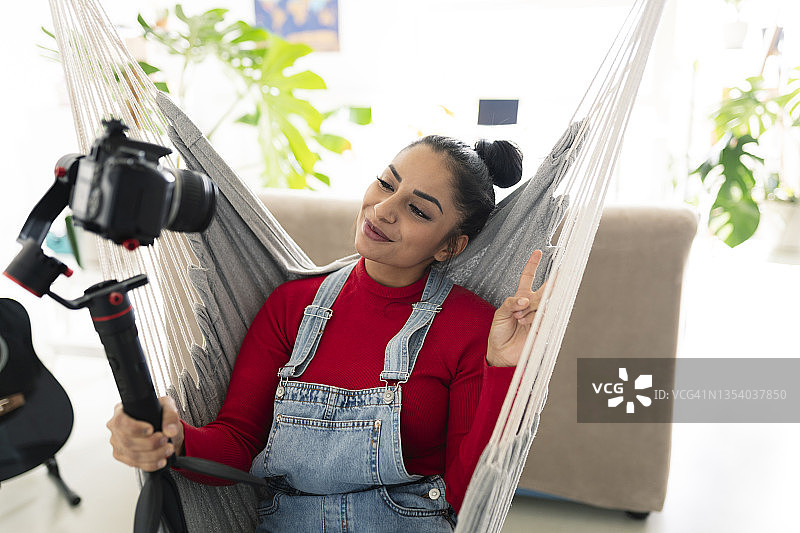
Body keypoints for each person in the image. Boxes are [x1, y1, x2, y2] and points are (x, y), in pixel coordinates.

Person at [107, 135, 546, 532]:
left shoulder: (473, 328)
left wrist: (504, 369)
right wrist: (175, 437)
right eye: (386, 183)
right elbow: (239, 441)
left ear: (449, 246)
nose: (383, 209)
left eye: (417, 209)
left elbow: (468, 496)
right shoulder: (291, 306)